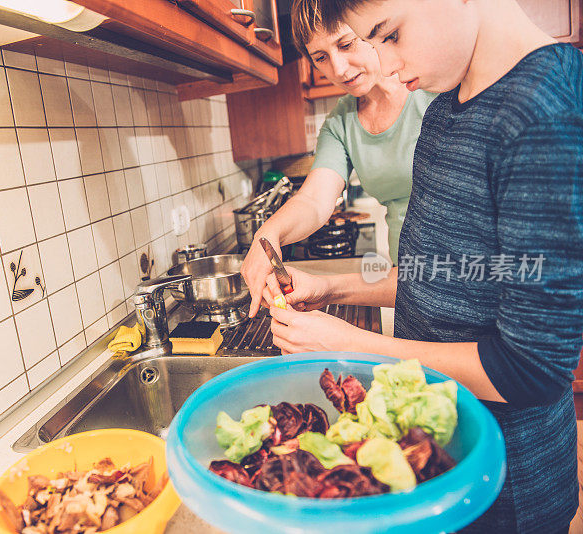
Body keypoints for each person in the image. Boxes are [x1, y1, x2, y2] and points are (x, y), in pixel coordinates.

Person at [264, 0, 583, 531]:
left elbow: (530, 371)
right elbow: (437, 277)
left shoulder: (544, 115)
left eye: (387, 35)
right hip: (436, 454)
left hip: (507, 480)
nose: (382, 66)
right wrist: (328, 288)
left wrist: (351, 345)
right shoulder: (444, 109)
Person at [240, 0, 436, 319]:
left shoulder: (432, 88)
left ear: (370, 27)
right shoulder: (340, 122)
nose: (339, 69)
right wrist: (268, 233)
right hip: (404, 281)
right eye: (321, 58)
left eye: (345, 44)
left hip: (464, 277)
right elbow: (315, 201)